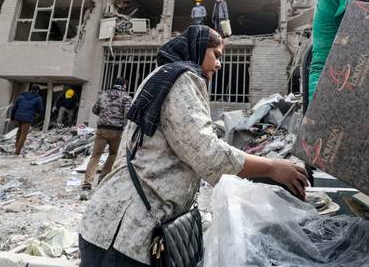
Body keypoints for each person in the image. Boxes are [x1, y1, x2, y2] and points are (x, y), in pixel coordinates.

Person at [78, 26, 309, 266]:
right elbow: (206, 154)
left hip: (110, 225)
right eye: (216, 55)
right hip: (125, 233)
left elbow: (181, 136)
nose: (219, 64)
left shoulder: (164, 75)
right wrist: (272, 167)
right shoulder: (184, 78)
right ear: (197, 48)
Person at [81, 78, 132, 200]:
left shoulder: (103, 94)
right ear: (124, 85)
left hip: (101, 129)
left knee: (95, 156)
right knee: (113, 154)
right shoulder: (126, 97)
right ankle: (102, 181)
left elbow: (95, 110)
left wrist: (106, 114)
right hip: (117, 131)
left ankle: (86, 186)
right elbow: (128, 114)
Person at [10, 85, 44, 155]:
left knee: (19, 131)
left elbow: (14, 108)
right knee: (23, 135)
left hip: (18, 117)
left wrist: (12, 118)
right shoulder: (38, 98)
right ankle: (17, 152)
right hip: (27, 118)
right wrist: (38, 114)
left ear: (30, 90)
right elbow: (41, 109)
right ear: (37, 91)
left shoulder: (21, 96)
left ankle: (16, 147)